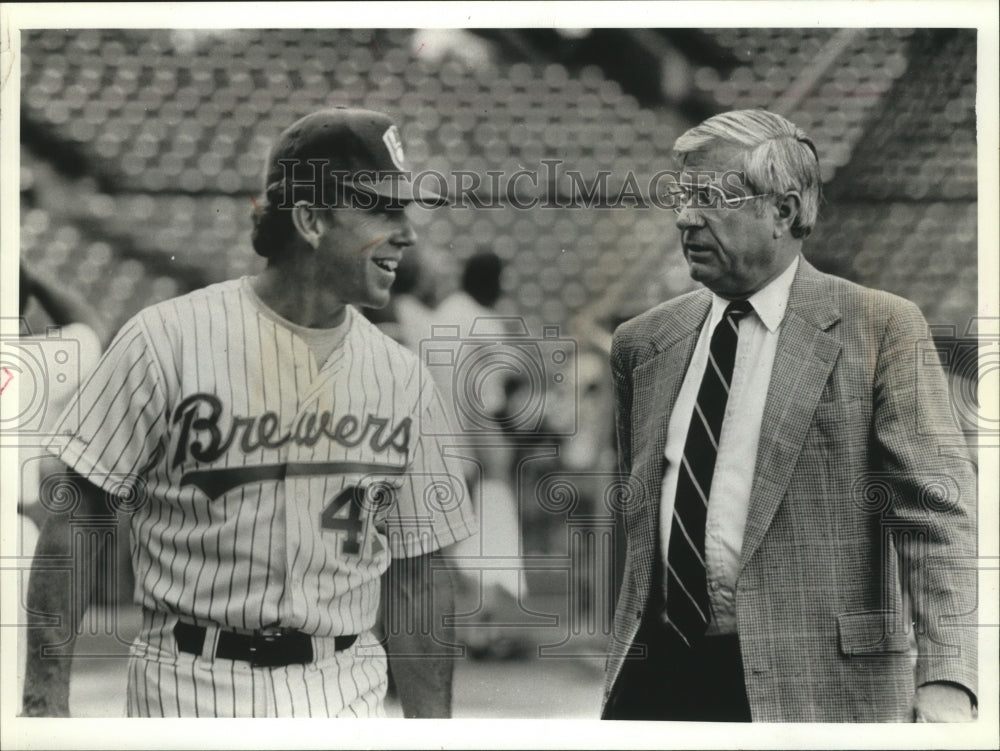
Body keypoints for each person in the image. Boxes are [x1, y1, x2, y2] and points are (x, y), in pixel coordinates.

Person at [21, 107, 477, 718]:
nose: (407, 233)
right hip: (187, 683)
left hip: (343, 686)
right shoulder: (166, 339)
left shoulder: (404, 377)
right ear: (312, 218)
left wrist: (433, 734)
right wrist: (44, 700)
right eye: (382, 209)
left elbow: (418, 577)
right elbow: (78, 518)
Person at [602, 109, 977, 722]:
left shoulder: (881, 327)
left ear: (784, 210)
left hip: (819, 691)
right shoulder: (644, 342)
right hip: (661, 680)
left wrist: (947, 678)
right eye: (680, 195)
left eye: (710, 197)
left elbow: (938, 516)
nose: (684, 216)